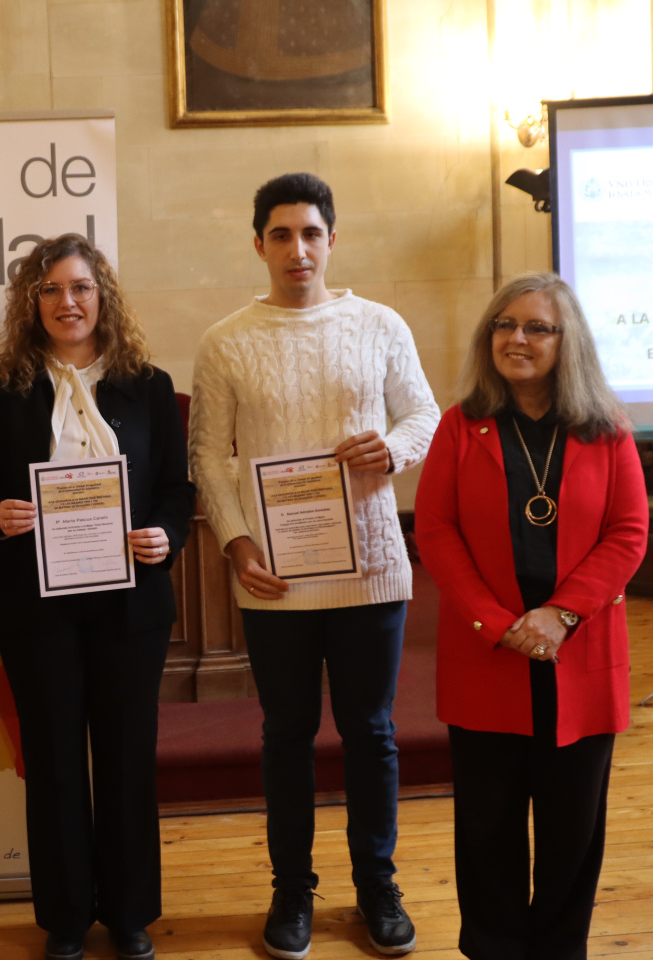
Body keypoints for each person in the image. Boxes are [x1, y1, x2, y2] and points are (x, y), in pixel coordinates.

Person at [188, 173, 440, 959]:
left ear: (333, 240)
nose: (297, 249)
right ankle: (292, 890)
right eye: (281, 235)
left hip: (369, 566)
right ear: (258, 244)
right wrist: (236, 543)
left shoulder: (379, 324)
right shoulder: (226, 340)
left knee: (371, 733)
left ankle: (377, 887)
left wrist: (390, 449)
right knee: (287, 734)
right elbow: (208, 456)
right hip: (277, 575)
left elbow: (425, 414)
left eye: (310, 233)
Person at [0, 234, 195, 960]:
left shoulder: (149, 385)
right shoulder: (0, 387)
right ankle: (65, 918)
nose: (68, 302)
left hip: (131, 605)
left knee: (127, 759)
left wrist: (164, 534)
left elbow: (176, 489)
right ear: (32, 303)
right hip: (37, 606)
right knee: (55, 761)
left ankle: (129, 913)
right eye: (52, 290)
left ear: (103, 297)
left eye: (81, 288)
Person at [414, 273, 647, 960]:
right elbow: (437, 532)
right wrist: (497, 622)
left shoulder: (607, 430)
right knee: (487, 827)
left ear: (567, 342)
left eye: (537, 327)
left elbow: (628, 533)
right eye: (505, 324)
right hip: (489, 655)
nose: (517, 339)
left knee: (574, 829)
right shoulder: (461, 425)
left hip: (580, 652)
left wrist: (561, 615)